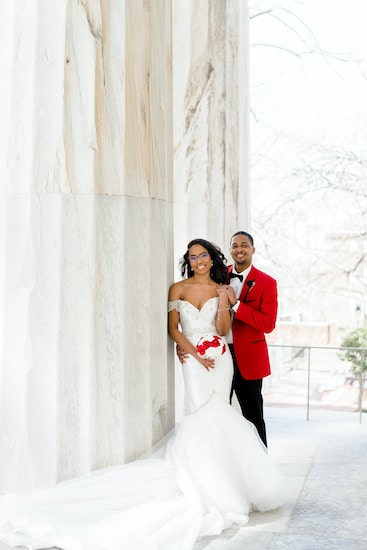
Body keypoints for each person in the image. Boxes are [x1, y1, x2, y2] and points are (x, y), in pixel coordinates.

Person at [0, 238, 286, 550]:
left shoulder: (223, 285)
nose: (199, 261)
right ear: (188, 261)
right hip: (193, 361)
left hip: (221, 359)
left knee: (225, 414)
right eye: (193, 257)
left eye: (203, 255)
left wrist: (223, 301)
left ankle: (229, 481)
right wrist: (192, 352)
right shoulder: (177, 289)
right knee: (200, 413)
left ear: (212, 258)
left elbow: (221, 330)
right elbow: (174, 329)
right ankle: (202, 482)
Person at [225, 231, 278, 447]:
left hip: (249, 357)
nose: (239, 249)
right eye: (235, 245)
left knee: (253, 414)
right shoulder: (217, 275)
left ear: (253, 250)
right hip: (218, 353)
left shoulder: (267, 282)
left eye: (244, 245)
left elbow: (267, 324)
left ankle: (261, 466)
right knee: (217, 410)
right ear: (230, 250)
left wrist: (237, 305)